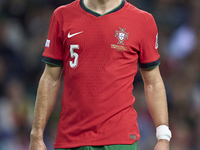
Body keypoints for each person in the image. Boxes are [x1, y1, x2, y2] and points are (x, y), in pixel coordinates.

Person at [29, 0, 172, 150]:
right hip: (71, 137)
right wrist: (36, 135)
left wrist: (163, 136)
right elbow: (50, 78)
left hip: (119, 139)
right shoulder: (62, 16)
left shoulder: (142, 20)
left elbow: (153, 81)